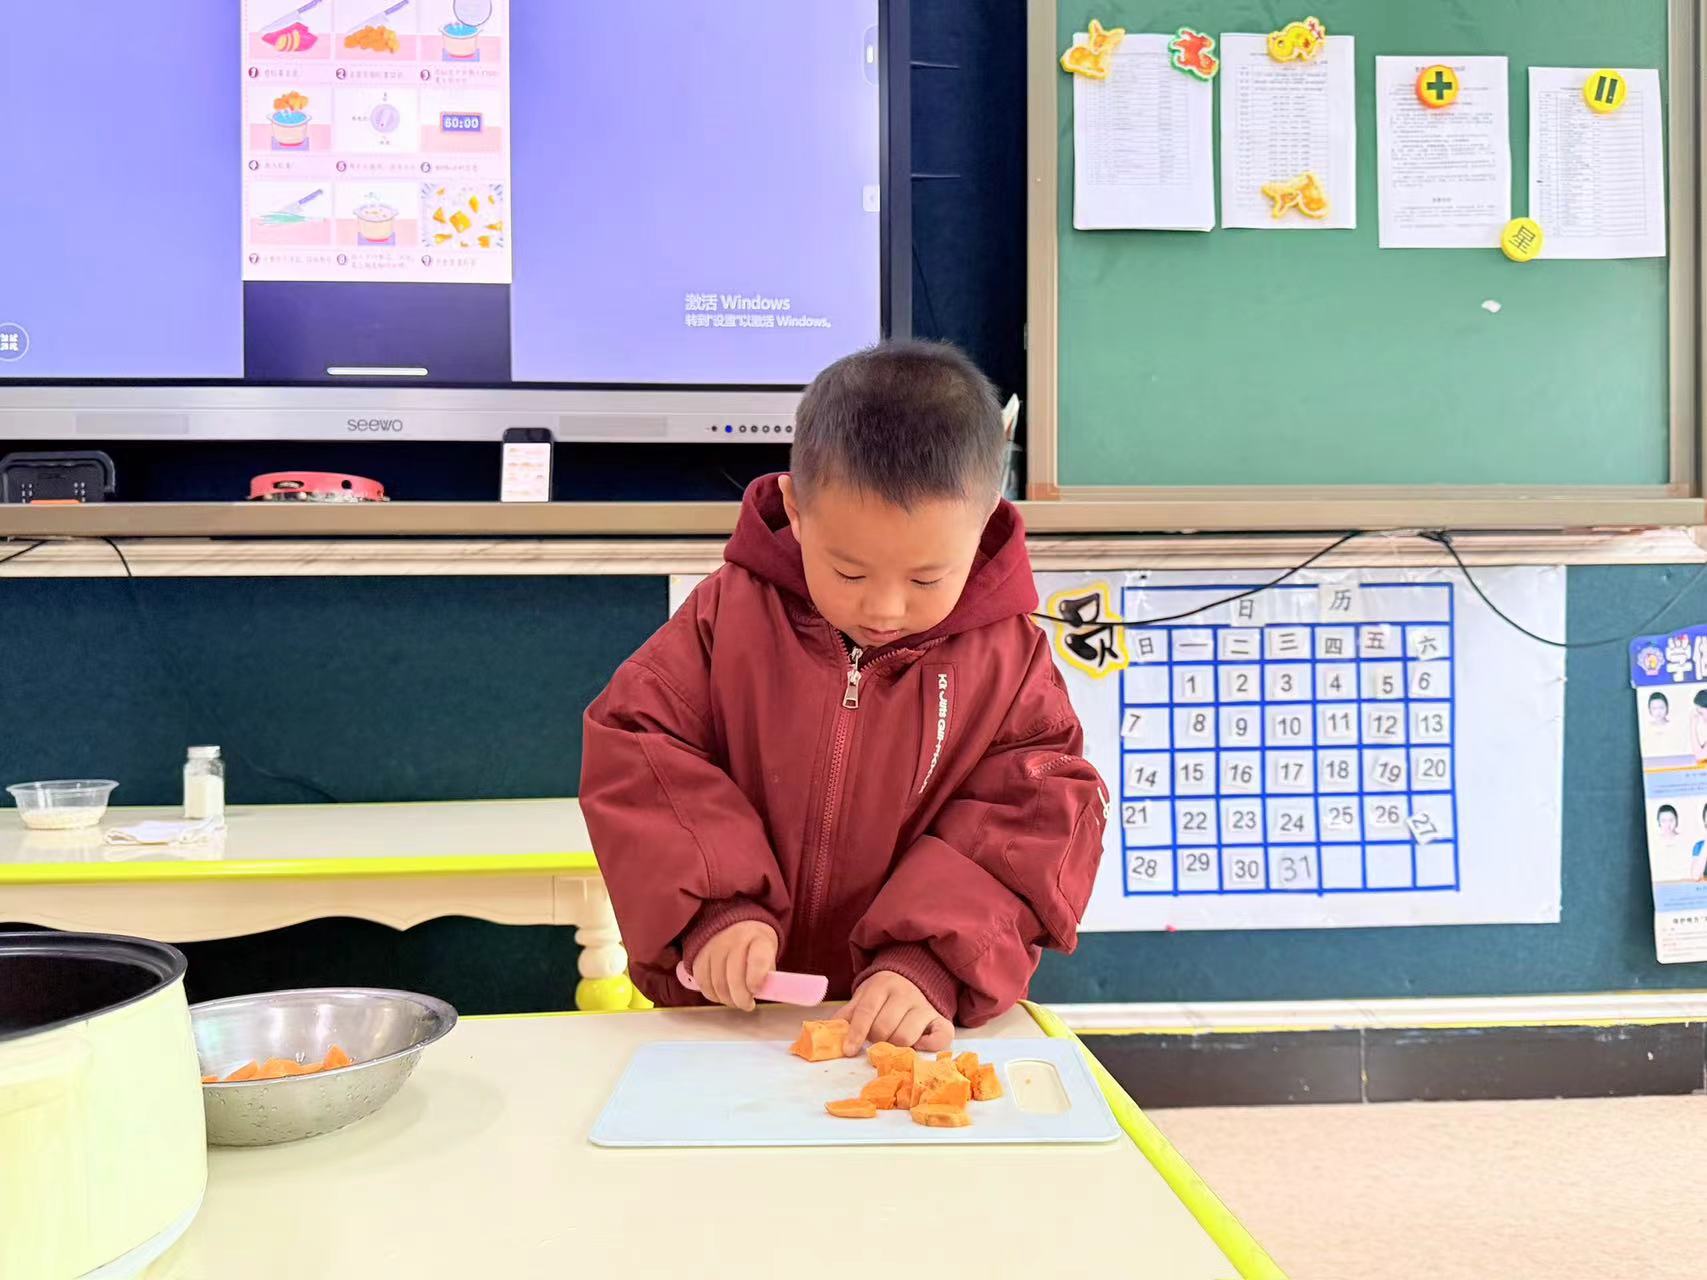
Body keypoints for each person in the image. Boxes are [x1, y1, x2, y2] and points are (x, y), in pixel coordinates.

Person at [581, 341, 1107, 1054]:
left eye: (926, 579)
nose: (885, 608)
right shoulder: (726, 615)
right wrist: (714, 909)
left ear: (983, 525)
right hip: (729, 1017)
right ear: (796, 512)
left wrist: (932, 960)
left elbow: (1035, 816)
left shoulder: (1007, 658)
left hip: (906, 1023)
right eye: (848, 571)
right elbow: (640, 745)